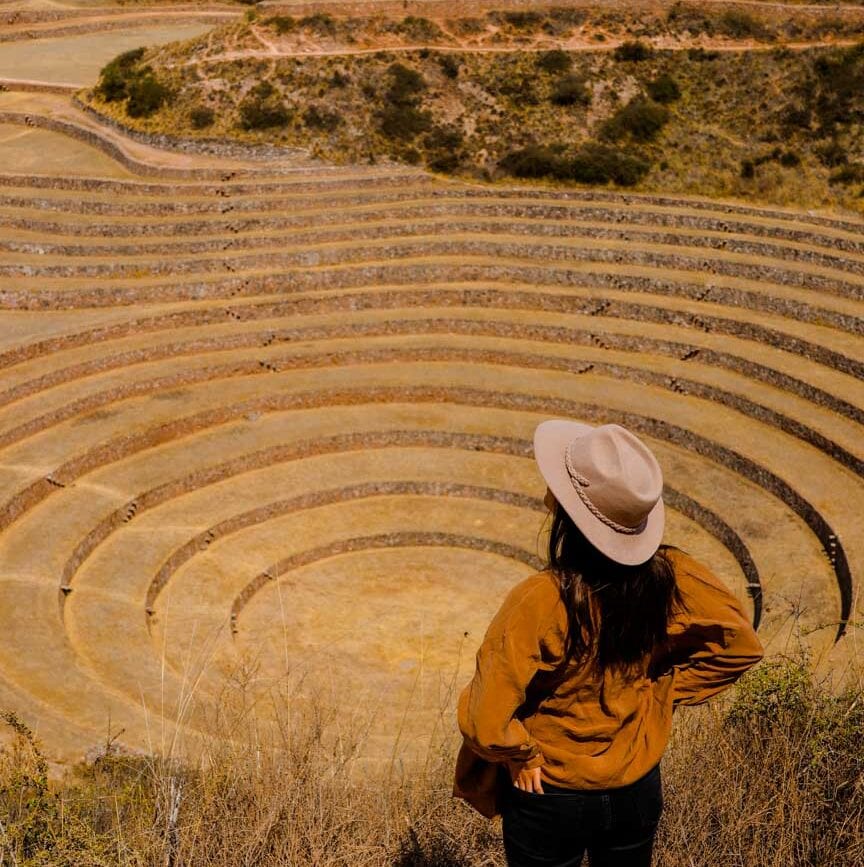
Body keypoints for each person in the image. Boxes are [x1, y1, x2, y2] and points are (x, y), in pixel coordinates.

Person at [453, 419, 765, 867]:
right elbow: (740, 646)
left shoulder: (542, 598)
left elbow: (486, 717)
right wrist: (659, 693)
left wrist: (520, 754)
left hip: (549, 790)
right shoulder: (672, 575)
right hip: (636, 786)